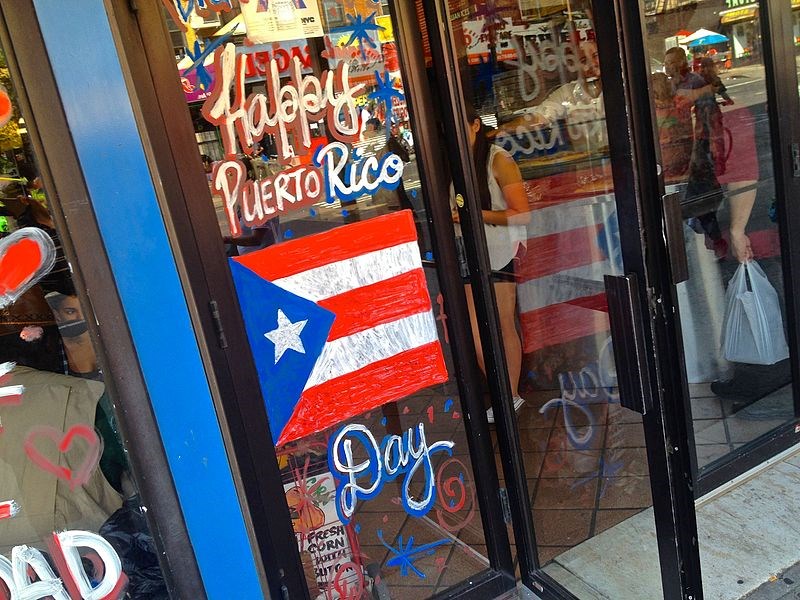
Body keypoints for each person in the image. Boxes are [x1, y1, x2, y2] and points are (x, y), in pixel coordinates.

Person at [452, 106, 530, 423]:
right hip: (466, 251)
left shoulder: (498, 159)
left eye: (462, 124)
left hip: (500, 249)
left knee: (501, 323)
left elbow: (522, 213)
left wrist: (474, 214)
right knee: (475, 331)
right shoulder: (451, 164)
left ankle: (509, 396)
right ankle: (502, 392)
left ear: (475, 126)